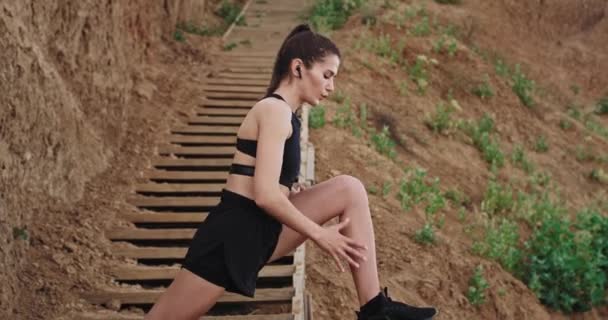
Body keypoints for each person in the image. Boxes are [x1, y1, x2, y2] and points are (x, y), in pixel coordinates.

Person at [144, 24, 438, 320]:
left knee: (350, 189)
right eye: (327, 75)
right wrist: (320, 234)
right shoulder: (274, 111)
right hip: (232, 235)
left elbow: (272, 189)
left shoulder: (288, 116)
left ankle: (375, 309)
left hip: (261, 228)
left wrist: (290, 191)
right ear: (298, 68)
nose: (331, 87)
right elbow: (265, 196)